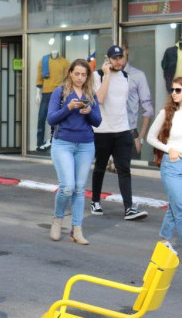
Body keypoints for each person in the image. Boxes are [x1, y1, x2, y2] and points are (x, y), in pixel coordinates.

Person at [147, 77, 182, 265]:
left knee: (176, 206)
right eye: (172, 90)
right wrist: (169, 149)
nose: (173, 93)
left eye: (178, 90)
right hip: (172, 165)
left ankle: (164, 241)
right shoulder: (166, 113)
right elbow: (150, 138)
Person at [47, 59, 102, 245]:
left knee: (79, 189)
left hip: (85, 145)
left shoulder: (90, 94)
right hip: (63, 143)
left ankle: (77, 229)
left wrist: (89, 111)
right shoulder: (60, 92)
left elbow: (98, 122)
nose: (79, 78)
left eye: (83, 75)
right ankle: (57, 220)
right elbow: (51, 119)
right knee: (67, 186)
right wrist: (68, 108)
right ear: (70, 73)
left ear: (88, 77)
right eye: (77, 73)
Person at [90, 45, 148, 220]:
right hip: (103, 130)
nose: (118, 61)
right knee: (100, 167)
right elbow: (100, 99)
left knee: (124, 169)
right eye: (114, 58)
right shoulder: (96, 76)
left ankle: (129, 208)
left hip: (122, 130)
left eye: (120, 58)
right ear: (107, 59)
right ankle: (95, 201)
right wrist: (107, 75)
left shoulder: (126, 77)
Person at [121, 45, 154, 157]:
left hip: (130, 134)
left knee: (130, 168)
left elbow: (148, 109)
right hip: (108, 133)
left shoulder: (138, 75)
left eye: (122, 50)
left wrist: (141, 140)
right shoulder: (106, 76)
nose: (119, 56)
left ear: (127, 51)